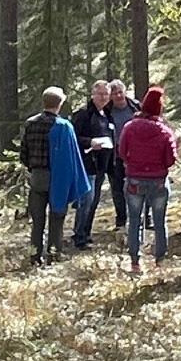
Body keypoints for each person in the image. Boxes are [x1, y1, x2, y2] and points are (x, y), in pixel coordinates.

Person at [19, 87, 91, 265]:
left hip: (37, 176)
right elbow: (71, 157)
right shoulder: (64, 126)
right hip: (59, 178)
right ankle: (54, 255)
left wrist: (34, 167)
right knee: (57, 217)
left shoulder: (30, 124)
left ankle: (35, 256)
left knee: (37, 220)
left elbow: (24, 153)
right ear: (60, 104)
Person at [117, 87, 178, 276]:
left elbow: (121, 151)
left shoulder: (130, 127)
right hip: (158, 180)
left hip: (135, 179)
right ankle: (160, 261)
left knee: (135, 220)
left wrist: (132, 163)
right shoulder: (164, 131)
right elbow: (171, 158)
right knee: (160, 221)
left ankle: (135, 262)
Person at [70, 81, 116, 250]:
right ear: (92, 95)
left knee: (94, 201)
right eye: (100, 94)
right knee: (86, 200)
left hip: (102, 165)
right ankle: (79, 236)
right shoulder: (83, 114)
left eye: (106, 94)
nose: (104, 97)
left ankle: (86, 233)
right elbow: (73, 137)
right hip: (86, 165)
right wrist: (90, 142)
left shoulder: (106, 113)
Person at [104, 79, 144, 230]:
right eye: (114, 93)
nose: (119, 96)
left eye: (120, 92)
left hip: (136, 155)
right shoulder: (106, 111)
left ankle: (143, 218)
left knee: (140, 186)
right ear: (110, 96)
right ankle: (121, 220)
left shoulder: (136, 106)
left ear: (125, 92)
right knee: (117, 188)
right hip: (115, 156)